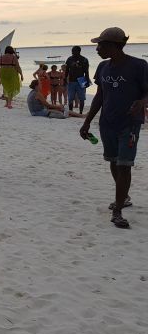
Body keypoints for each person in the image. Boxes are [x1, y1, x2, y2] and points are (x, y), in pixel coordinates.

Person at [79, 27, 148, 229]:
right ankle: (124, 197)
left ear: (115, 46)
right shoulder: (102, 67)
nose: (97, 48)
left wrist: (142, 103)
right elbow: (100, 96)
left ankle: (117, 210)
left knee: (124, 165)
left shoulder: (139, 66)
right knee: (113, 161)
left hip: (130, 124)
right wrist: (87, 121)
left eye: (101, 44)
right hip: (107, 123)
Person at [66, 46, 91, 113]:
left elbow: (86, 71)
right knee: (70, 98)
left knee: (82, 98)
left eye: (73, 51)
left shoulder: (84, 59)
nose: (72, 52)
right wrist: (65, 79)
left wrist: (87, 81)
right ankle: (71, 111)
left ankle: (80, 112)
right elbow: (67, 70)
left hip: (82, 80)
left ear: (78, 51)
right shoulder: (69, 59)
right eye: (72, 50)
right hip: (71, 80)